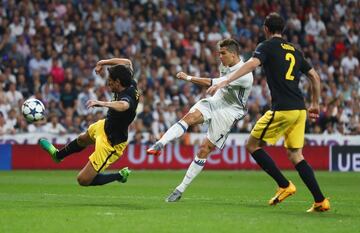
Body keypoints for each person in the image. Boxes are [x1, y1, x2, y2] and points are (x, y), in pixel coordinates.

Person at [207, 13, 330, 212]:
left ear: (266, 28)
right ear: (283, 29)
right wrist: (315, 103)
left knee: (251, 145)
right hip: (300, 109)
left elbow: (251, 64)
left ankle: (284, 185)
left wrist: (226, 80)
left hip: (283, 109)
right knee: (295, 155)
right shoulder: (295, 50)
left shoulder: (266, 46)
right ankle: (320, 201)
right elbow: (314, 76)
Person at [147, 38, 253, 202]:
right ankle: (160, 143)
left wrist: (188, 78)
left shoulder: (245, 74)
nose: (220, 57)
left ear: (233, 54)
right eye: (219, 53)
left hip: (230, 111)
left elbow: (212, 82)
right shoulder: (224, 65)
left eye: (223, 54)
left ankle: (180, 189)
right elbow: (217, 84)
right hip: (216, 101)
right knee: (189, 118)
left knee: (204, 149)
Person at [39, 58, 139, 187]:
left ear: (118, 82)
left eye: (110, 80)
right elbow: (127, 62)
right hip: (104, 126)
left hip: (111, 144)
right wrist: (101, 63)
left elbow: (124, 105)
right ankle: (58, 155)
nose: (108, 82)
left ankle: (119, 175)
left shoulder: (128, 95)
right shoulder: (129, 81)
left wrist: (101, 103)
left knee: (83, 180)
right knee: (82, 139)